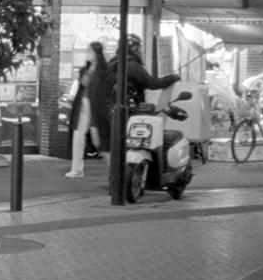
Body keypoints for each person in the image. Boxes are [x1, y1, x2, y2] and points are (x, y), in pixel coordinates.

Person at [96, 34, 180, 175]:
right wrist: (172, 77)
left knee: (120, 146)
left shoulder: (113, 64)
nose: (141, 50)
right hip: (132, 111)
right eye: (139, 47)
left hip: (114, 111)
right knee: (139, 142)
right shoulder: (133, 66)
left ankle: (116, 179)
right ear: (134, 48)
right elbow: (152, 84)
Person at [66, 41, 107, 178]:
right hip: (82, 105)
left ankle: (114, 169)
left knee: (98, 140)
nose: (87, 54)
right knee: (78, 135)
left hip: (95, 106)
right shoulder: (85, 70)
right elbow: (81, 87)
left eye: (90, 51)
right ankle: (77, 169)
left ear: (96, 53)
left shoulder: (103, 70)